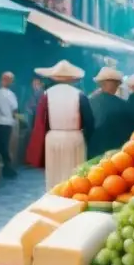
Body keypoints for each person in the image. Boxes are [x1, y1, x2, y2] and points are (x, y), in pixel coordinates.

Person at [25, 61, 95, 190]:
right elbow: (89, 121)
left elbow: (40, 120)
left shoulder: (46, 94)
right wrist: (85, 137)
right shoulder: (79, 94)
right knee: (74, 172)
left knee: (54, 173)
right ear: (73, 79)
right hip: (75, 137)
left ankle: (54, 196)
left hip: (53, 137)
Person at [89, 66, 134, 158]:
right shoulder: (123, 104)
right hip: (116, 153)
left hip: (93, 150)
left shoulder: (90, 101)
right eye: (116, 84)